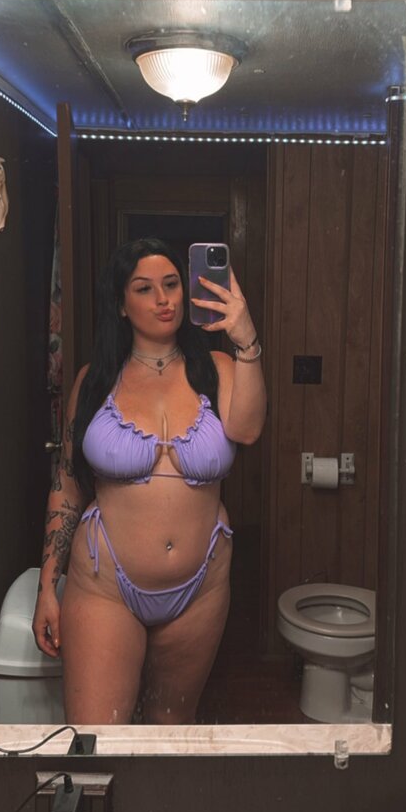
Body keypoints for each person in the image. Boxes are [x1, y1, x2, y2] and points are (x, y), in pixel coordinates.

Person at [32, 237, 266, 724]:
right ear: (121, 303)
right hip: (105, 586)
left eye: (172, 284)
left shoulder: (219, 369)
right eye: (144, 288)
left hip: (201, 588)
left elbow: (247, 429)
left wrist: (245, 339)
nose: (163, 299)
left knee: (170, 731)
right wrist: (47, 588)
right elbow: (67, 484)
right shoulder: (95, 381)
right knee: (97, 741)